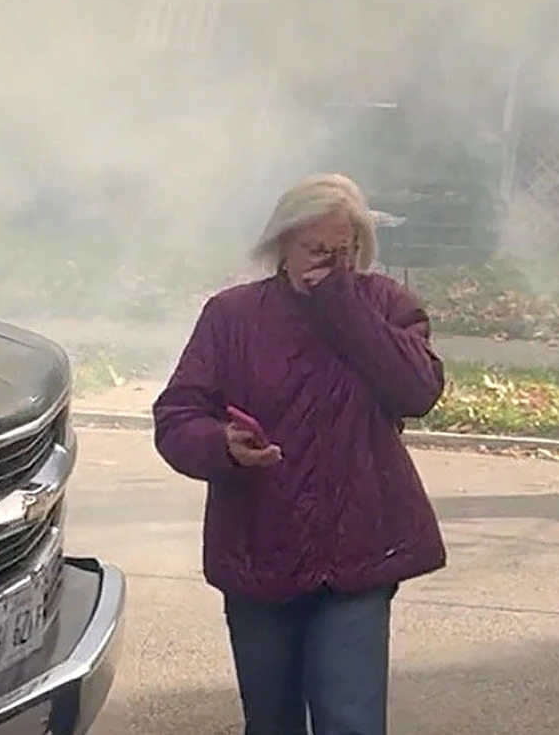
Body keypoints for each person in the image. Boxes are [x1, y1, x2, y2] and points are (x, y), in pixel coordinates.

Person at [152, 172, 447, 735]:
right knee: (271, 723)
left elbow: (418, 391)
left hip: (358, 553)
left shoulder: (387, 306)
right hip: (259, 550)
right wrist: (222, 446)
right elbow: (177, 417)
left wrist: (344, 305)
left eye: (346, 251)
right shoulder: (232, 316)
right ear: (282, 246)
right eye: (316, 250)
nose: (331, 264)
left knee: (350, 721)